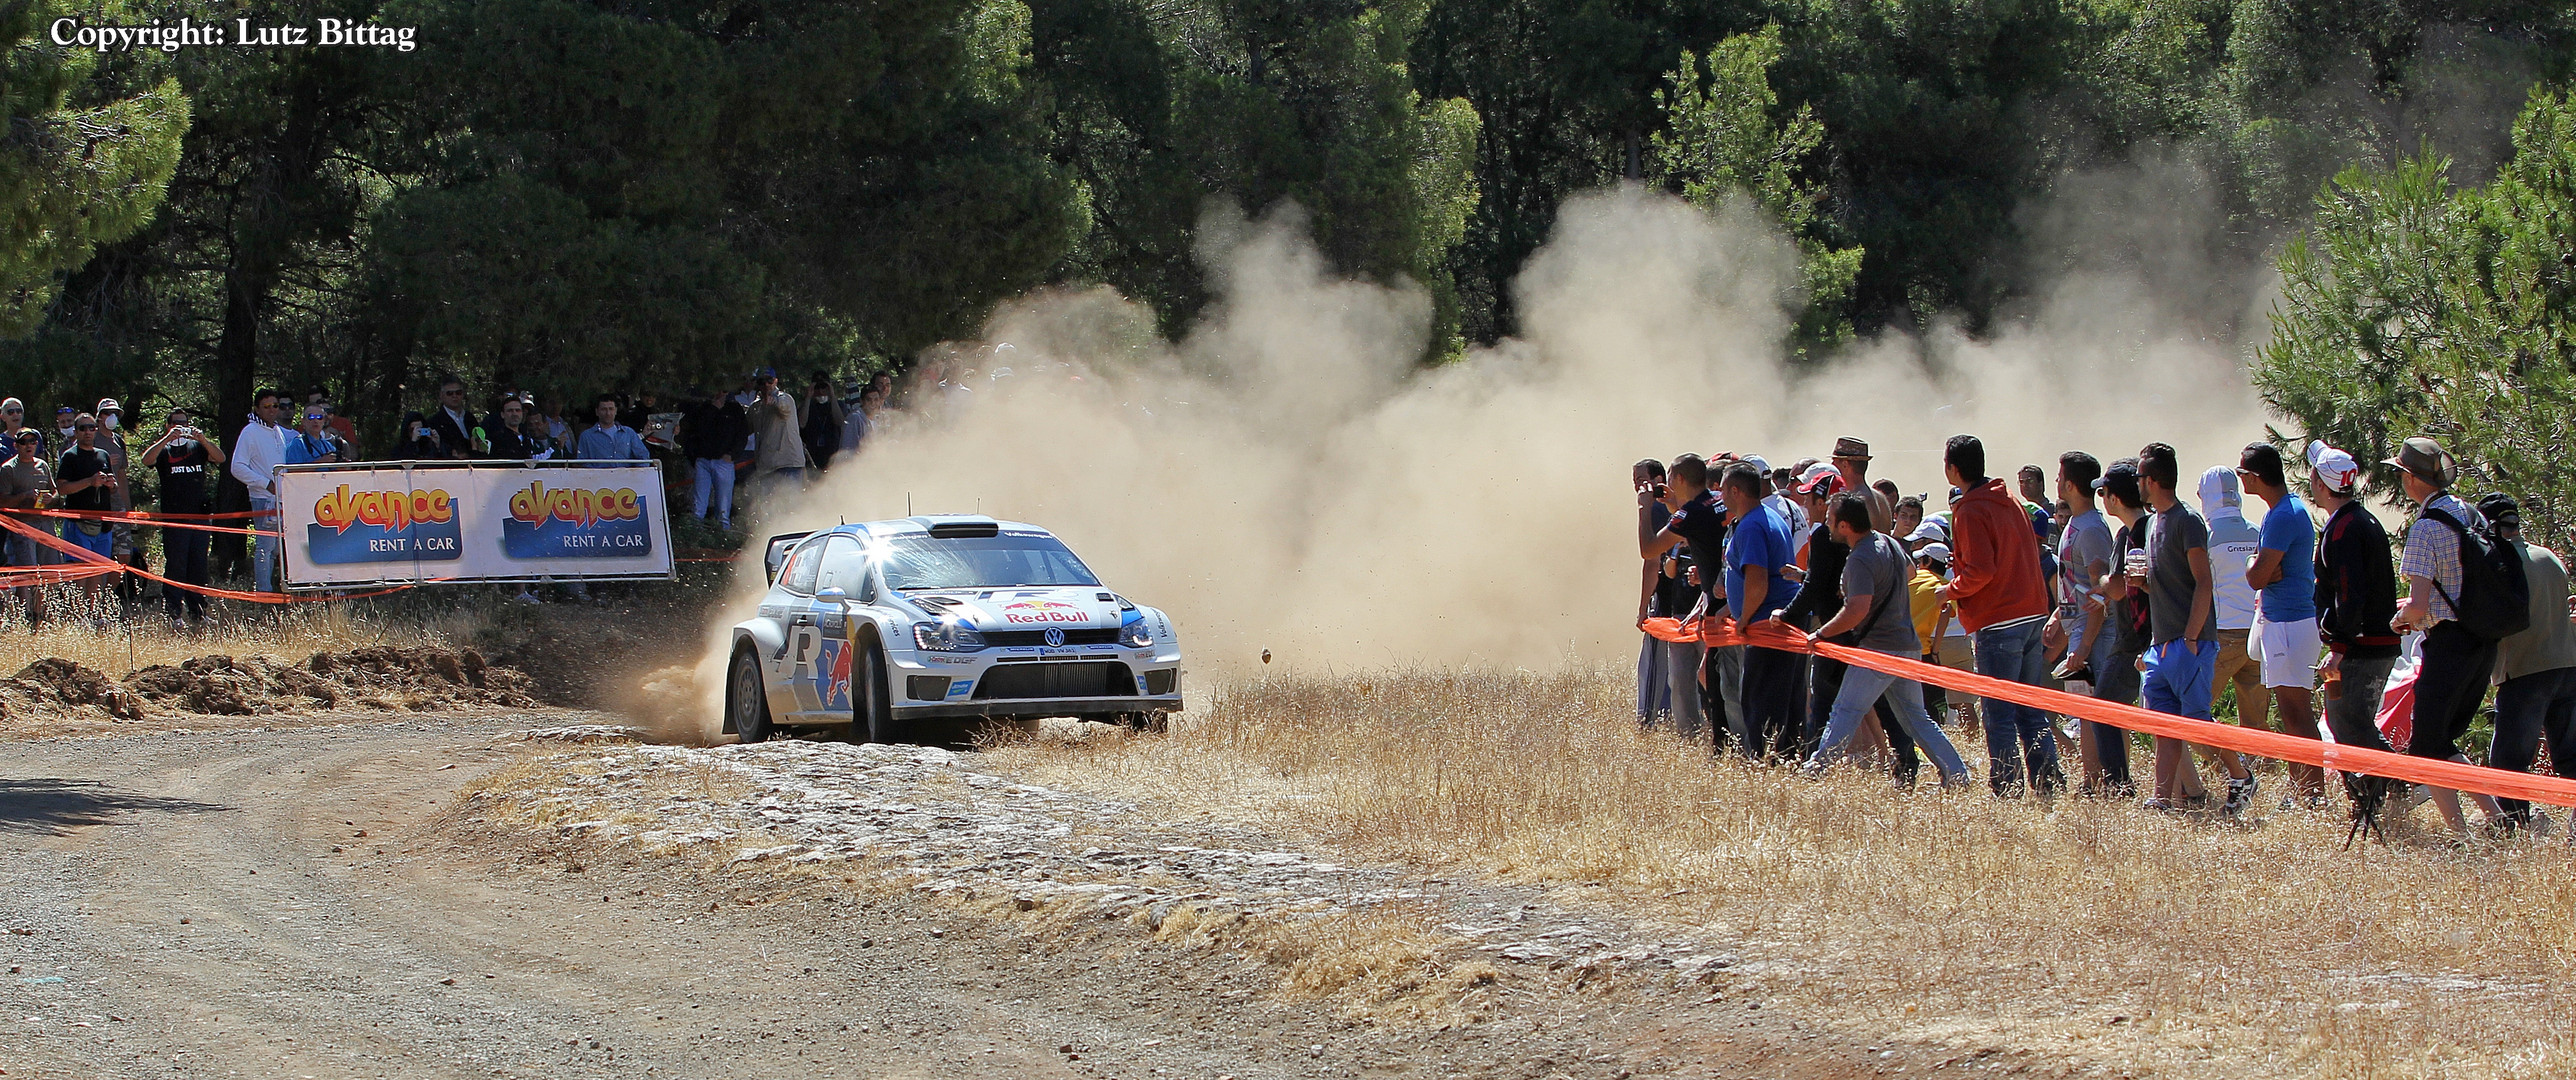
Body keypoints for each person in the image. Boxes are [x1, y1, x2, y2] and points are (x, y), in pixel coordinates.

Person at [1800, 494, 1973, 786]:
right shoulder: (1889, 543)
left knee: (1846, 709)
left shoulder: (1859, 558)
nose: (1826, 526)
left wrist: (1820, 634)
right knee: (1917, 718)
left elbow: (1856, 609)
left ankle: (1816, 770)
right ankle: (1956, 774)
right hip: (1907, 647)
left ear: (1844, 526)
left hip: (1878, 651)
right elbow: (1910, 571)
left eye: (1830, 521)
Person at [2386, 436, 2511, 836]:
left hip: (2448, 647)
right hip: (2482, 641)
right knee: (2439, 741)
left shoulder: (2425, 528)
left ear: (2411, 479)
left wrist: (2400, 619)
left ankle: (2469, 830)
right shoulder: (2468, 512)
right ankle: (2490, 821)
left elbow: (2420, 607)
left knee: (2428, 745)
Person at [2135, 443, 2257, 814]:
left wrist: (2190, 638)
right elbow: (2170, 581)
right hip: (2162, 641)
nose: (2137, 483)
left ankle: (2240, 776)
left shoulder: (2188, 521)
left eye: (2140, 477)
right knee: (2163, 723)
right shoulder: (2154, 522)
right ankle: (2161, 799)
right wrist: (2141, 585)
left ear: (2152, 480)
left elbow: (2204, 582)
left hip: (2190, 643)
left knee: (2196, 722)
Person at [1937, 435, 2060, 796]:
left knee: (1998, 713)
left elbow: (1979, 571)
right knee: (2029, 709)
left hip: (1998, 621)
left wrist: (1950, 590)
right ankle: (2048, 782)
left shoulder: (1971, 509)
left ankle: (2007, 788)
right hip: (2032, 613)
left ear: (1953, 469)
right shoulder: (2011, 501)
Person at [2307, 441, 2401, 820]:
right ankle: (2373, 800)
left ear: (2319, 482)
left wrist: (2340, 646)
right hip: (2370, 644)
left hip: (2358, 648)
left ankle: (2399, 786)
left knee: (2347, 722)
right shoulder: (2360, 521)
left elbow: (2350, 592)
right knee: (2350, 722)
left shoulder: (2344, 530)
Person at [2480, 493, 2575, 833]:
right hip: (2567, 665)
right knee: (2571, 758)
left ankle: (2512, 831)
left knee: (2509, 760)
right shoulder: (2549, 557)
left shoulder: (2500, 565)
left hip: (2525, 670)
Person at [2239, 443, 2326, 806]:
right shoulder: (2287, 511)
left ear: (2256, 477)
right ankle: (2303, 790)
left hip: (2290, 623)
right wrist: (2260, 567)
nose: (2241, 478)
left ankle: (2310, 794)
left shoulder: (2282, 515)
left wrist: (2252, 565)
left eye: (2243, 472)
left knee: (2295, 713)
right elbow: (2266, 572)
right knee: (2291, 712)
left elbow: (2258, 576)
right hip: (2288, 621)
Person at [1642, 454, 1740, 753]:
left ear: (1680, 479)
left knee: (1721, 680)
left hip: (1719, 605)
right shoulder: (1715, 501)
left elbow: (1649, 549)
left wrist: (1645, 510)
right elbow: (1702, 530)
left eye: (1671, 478)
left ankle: (1734, 744)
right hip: (1723, 597)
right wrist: (1674, 506)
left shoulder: (1691, 513)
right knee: (1715, 675)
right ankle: (1727, 741)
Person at [2047, 451, 2129, 796]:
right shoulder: (2076, 525)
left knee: (2100, 710)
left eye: (2059, 476)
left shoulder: (2092, 528)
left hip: (2095, 634)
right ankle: (2094, 779)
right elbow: (2075, 581)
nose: (2056, 483)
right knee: (2085, 710)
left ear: (2069, 483)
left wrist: (2082, 647)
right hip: (2079, 629)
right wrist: (2058, 616)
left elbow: (2099, 595)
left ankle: (2108, 781)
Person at [1719, 460, 1804, 761]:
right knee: (1785, 700)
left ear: (1737, 491)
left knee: (1759, 701)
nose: (1721, 496)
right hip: (1777, 623)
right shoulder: (1767, 516)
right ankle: (1786, 760)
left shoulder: (1752, 525)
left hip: (1765, 627)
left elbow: (1757, 581)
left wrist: (1743, 618)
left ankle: (1765, 762)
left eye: (1724, 490)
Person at [2197, 465, 2265, 792]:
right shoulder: (2256, 531)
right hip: (2258, 635)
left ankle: (2226, 773)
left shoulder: (2205, 537)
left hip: (2222, 636)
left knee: (2194, 712)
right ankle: (2261, 779)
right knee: (2255, 722)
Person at [1633, 460, 1705, 740]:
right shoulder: (1680, 508)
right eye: (1634, 478)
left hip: (1669, 599)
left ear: (1660, 478)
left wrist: (1643, 610)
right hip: (1690, 599)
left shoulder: (1657, 509)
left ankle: (1650, 721)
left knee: (1657, 665)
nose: (1637, 484)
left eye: (1642, 478)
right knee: (1687, 671)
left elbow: (1650, 560)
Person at [142, 408, 223, 627]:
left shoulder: (197, 447)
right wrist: (167, 438)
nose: (181, 427)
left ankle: (198, 611)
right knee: (176, 565)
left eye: (184, 423)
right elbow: (146, 460)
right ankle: (174, 613)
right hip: (175, 518)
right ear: (168, 425)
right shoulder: (164, 450)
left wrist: (203, 439)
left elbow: (220, 457)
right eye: (176, 423)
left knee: (198, 565)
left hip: (199, 516)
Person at [53, 413, 120, 614]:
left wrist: (111, 485)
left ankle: (94, 613)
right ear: (75, 431)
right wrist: (90, 481)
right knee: (79, 569)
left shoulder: (102, 455)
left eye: (91, 428)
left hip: (103, 523)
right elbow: (62, 488)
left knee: (98, 570)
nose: (88, 432)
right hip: (78, 523)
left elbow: (114, 486)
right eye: (83, 428)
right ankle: (77, 613)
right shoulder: (70, 456)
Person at [228, 389, 290, 592]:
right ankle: (264, 592)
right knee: (266, 547)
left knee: (278, 549)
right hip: (264, 499)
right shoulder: (250, 432)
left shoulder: (278, 431)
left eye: (275, 406)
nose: (272, 410)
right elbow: (237, 466)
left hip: (283, 498)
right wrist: (265, 483)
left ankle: (278, 588)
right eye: (267, 406)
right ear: (257, 408)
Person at [0, 430, 55, 624]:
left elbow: (56, 492)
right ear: (16, 445)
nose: (29, 445)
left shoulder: (43, 465)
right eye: (24, 442)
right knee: (28, 572)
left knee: (47, 570)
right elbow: (2, 500)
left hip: (45, 525)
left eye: (33, 441)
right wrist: (23, 496)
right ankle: (25, 616)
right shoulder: (8, 469)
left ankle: (40, 615)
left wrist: (51, 498)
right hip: (22, 527)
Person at [680, 387, 747, 528]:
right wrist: (695, 457)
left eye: (723, 390)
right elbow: (692, 433)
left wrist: (732, 454)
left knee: (723, 508)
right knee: (698, 506)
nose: (719, 394)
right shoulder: (702, 409)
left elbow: (742, 435)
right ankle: (696, 535)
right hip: (702, 461)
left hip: (724, 462)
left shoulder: (735, 410)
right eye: (717, 390)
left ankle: (723, 537)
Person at [748, 367, 809, 490]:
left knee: (791, 506)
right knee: (769, 507)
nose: (766, 385)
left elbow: (784, 408)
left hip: (788, 463)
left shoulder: (786, 398)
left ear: (776, 381)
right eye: (762, 382)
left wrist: (774, 403)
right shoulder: (755, 407)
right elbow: (746, 427)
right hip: (766, 466)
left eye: (769, 380)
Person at [1829, 437, 1895, 533]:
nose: (1832, 464)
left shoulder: (1857, 502)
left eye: (1835, 461)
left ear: (1845, 464)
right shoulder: (1880, 498)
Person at [574, 395, 651, 462]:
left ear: (616, 411)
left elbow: (643, 456)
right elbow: (582, 463)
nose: (608, 413)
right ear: (597, 412)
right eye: (603, 409)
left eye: (611, 409)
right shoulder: (586, 436)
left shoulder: (629, 433)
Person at [425, 375, 480, 458]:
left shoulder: (470, 418)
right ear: (441, 395)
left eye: (458, 392)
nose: (454, 396)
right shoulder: (434, 422)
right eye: (449, 393)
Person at [486, 397, 551, 461]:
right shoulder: (497, 438)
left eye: (517, 410)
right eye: (510, 410)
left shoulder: (527, 437)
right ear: (502, 414)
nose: (514, 414)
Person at [801, 375, 845, 471]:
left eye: (823, 387)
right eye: (817, 387)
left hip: (832, 456)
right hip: (812, 458)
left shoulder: (838, 404)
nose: (820, 391)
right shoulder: (807, 406)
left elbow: (840, 422)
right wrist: (808, 398)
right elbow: (801, 423)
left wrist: (832, 396)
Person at [282, 404, 350, 465]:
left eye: (319, 417)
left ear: (324, 421)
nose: (315, 421)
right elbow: (293, 472)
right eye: (311, 417)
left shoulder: (327, 446)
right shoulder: (297, 444)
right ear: (303, 421)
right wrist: (320, 462)